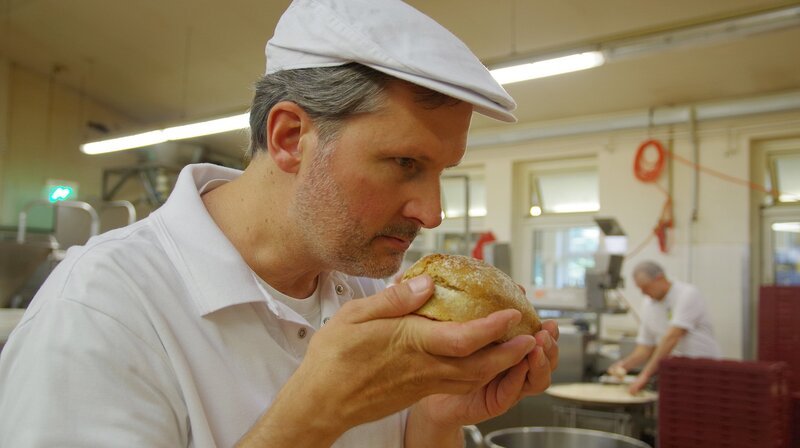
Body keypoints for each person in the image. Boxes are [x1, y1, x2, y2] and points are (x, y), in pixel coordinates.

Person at [0, 1, 559, 447]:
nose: (431, 213)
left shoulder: (367, 290)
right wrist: (314, 415)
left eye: (440, 171)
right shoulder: (104, 310)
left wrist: (437, 416)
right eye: (405, 164)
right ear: (290, 137)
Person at [608, 260, 721, 394]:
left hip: (701, 367)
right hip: (673, 369)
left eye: (646, 287)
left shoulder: (687, 294)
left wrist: (644, 375)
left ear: (660, 278)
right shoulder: (648, 304)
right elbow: (645, 347)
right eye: (640, 289)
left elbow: (672, 338)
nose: (643, 293)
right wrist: (624, 366)